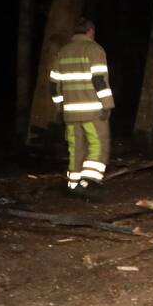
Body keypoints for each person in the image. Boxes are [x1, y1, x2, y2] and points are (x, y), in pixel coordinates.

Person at [49, 17, 115, 195]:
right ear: (91, 31)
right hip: (92, 111)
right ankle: (88, 183)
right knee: (98, 145)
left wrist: (60, 107)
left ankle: (73, 185)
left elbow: (53, 86)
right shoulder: (94, 49)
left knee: (75, 148)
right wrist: (107, 104)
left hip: (70, 112)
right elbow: (99, 80)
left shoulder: (63, 52)